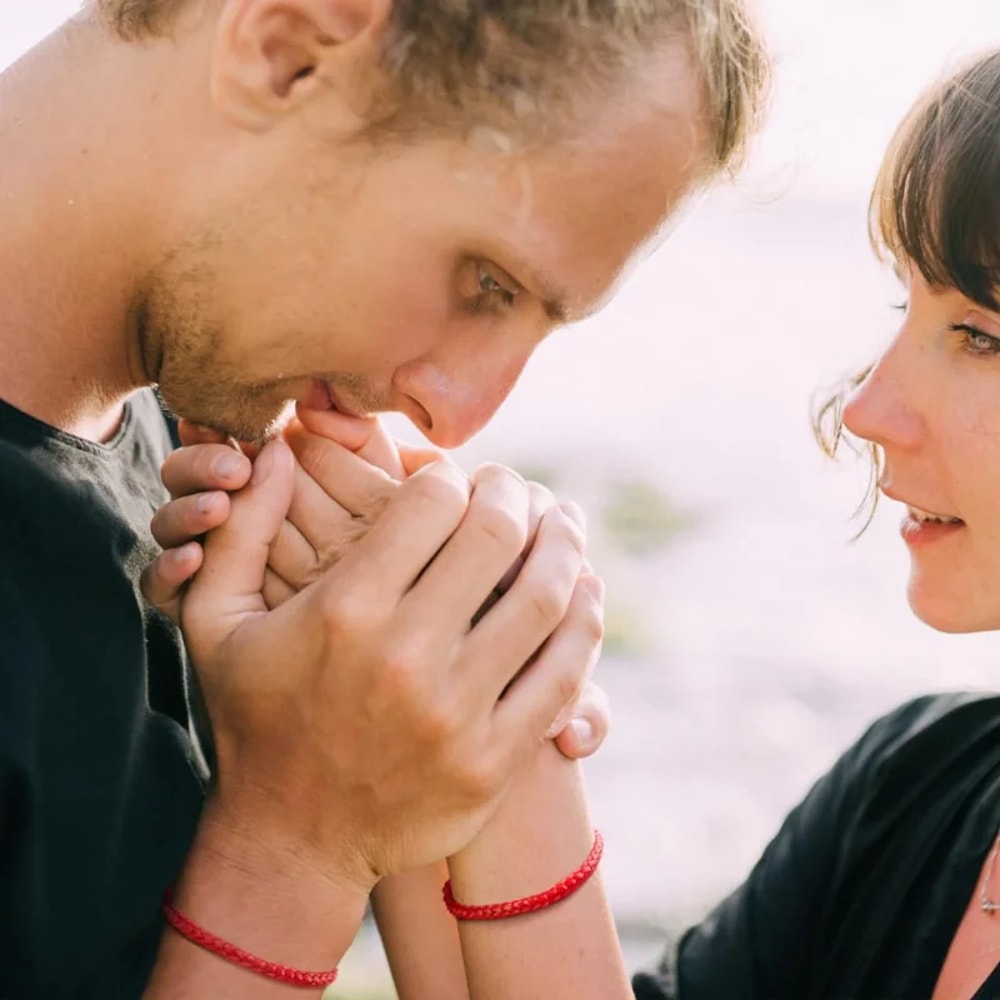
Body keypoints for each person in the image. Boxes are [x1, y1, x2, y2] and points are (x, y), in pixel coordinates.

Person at [157, 44, 1000, 1000]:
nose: (867, 408)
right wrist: (448, 671)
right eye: (905, 305)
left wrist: (323, 809)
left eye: (981, 334)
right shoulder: (912, 785)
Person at [0, 0, 769, 996]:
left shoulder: (183, 481)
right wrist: (294, 839)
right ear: (287, 50)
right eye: (485, 283)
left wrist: (435, 731)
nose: (459, 419)